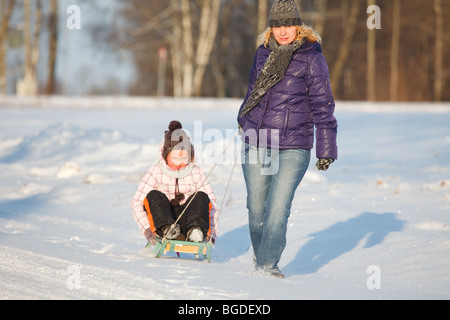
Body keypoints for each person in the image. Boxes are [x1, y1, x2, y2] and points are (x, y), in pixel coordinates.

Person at [237, 0, 338, 278]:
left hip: (294, 146)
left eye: (288, 24)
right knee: (256, 207)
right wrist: (242, 120)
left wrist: (326, 146)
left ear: (298, 25)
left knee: (277, 207)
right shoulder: (261, 53)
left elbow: (323, 104)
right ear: (271, 27)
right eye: (277, 24)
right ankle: (261, 264)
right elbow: (252, 93)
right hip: (256, 141)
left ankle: (268, 267)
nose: (283, 30)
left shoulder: (312, 57)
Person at [131, 121, 219, 246]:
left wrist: (212, 235)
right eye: (175, 158)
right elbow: (137, 202)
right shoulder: (156, 171)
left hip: (189, 220)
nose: (179, 163)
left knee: (201, 197)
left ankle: (195, 231)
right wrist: (147, 230)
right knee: (154, 195)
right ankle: (167, 229)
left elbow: (212, 206)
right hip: (163, 219)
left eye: (183, 158)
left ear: (191, 155)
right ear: (165, 156)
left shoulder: (197, 173)